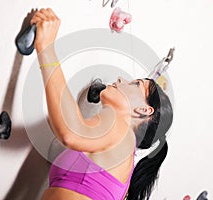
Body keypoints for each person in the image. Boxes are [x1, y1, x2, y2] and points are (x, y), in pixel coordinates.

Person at [30, 8, 173, 200]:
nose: (122, 79)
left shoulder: (121, 129)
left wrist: (47, 49)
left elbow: (70, 132)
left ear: (143, 110)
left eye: (135, 84)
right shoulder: (122, 151)